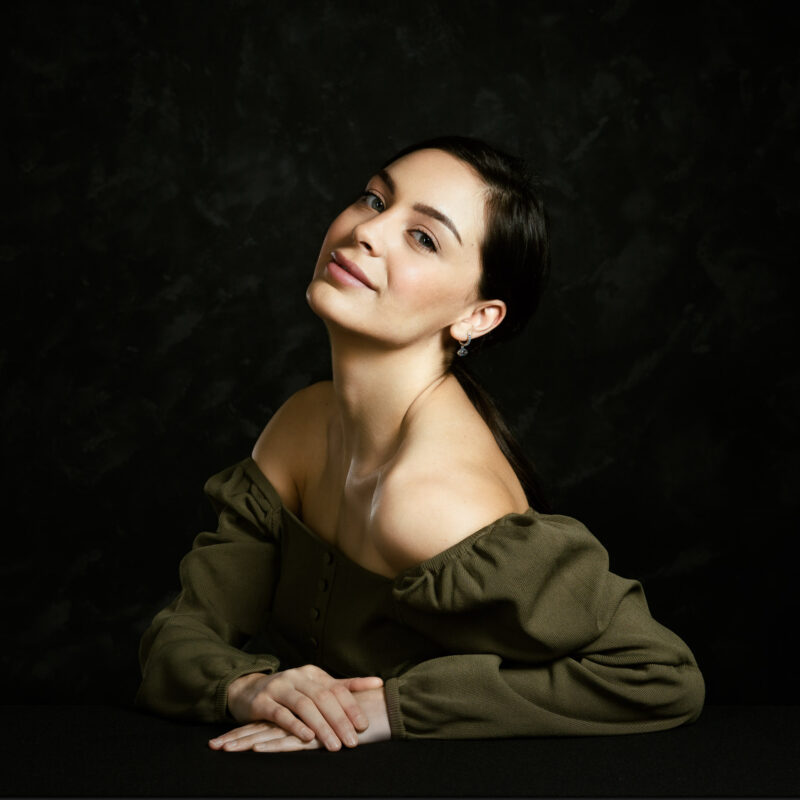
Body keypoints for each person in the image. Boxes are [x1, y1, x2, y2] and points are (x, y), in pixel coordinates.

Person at [136, 136, 705, 753]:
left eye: (425, 238)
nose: (368, 232)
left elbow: (661, 676)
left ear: (477, 318)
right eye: (375, 199)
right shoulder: (301, 424)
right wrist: (248, 687)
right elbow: (180, 638)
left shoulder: (430, 496)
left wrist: (391, 706)